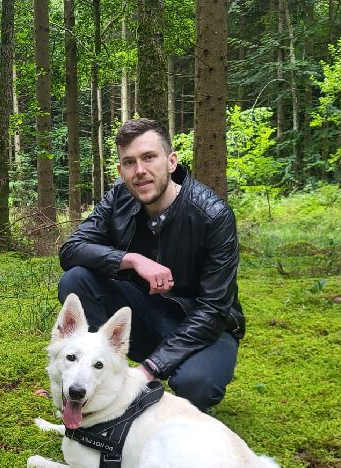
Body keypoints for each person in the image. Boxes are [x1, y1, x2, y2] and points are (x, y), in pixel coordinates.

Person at [58, 118, 245, 412]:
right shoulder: (119, 197)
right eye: (129, 162)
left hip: (204, 323)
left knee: (197, 384)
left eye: (149, 157)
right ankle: (101, 378)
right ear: (120, 170)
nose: (140, 171)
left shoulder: (213, 215)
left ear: (171, 162)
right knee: (76, 280)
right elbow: (71, 250)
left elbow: (214, 308)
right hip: (144, 311)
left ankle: (151, 383)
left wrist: (150, 369)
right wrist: (131, 259)